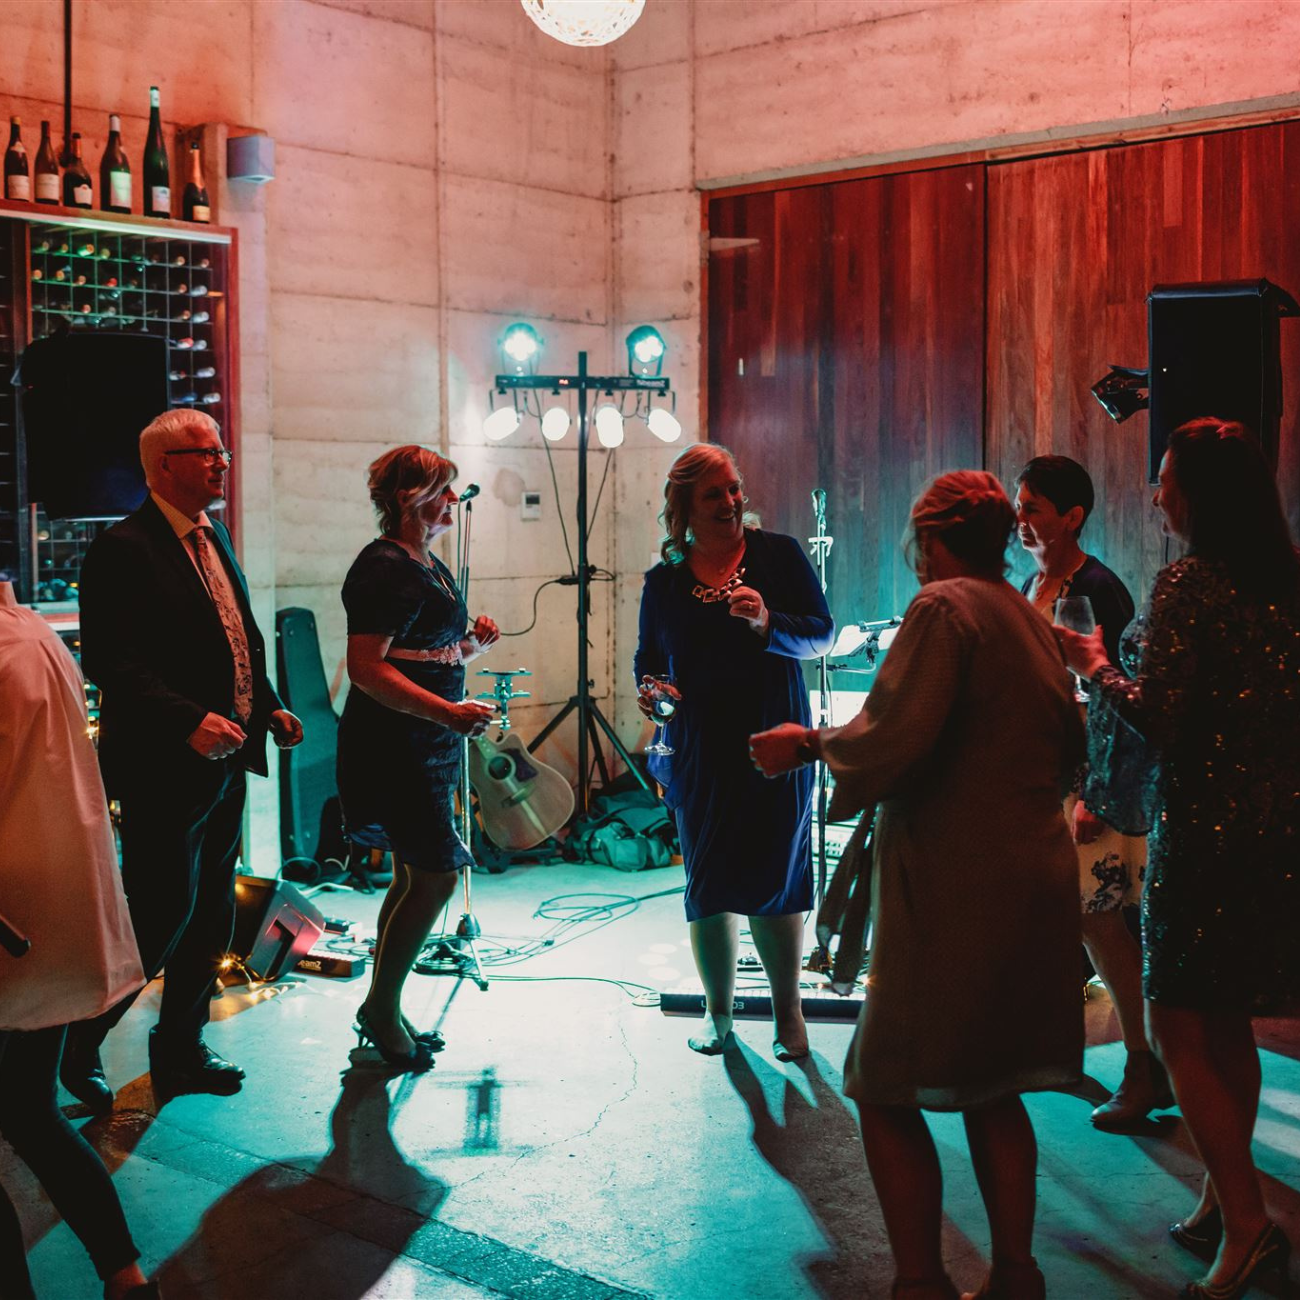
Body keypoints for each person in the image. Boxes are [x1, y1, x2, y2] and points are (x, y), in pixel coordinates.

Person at [751, 471, 1085, 1300]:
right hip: (1032, 872)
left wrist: (807, 743)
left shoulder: (944, 609)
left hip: (955, 880)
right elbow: (1068, 742)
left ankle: (920, 1283)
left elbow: (892, 735)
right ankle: (1016, 1274)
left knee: (883, 1082)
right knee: (994, 1084)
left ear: (928, 538)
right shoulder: (1026, 616)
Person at [1056, 419, 1300, 1300]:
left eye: (1164, 479)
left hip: (1205, 830)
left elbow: (1160, 713)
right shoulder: (1287, 580)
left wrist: (1093, 667)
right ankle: (1217, 1192)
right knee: (1226, 1021)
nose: (1156, 493)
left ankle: (1247, 1227)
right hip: (1278, 832)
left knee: (1175, 1027)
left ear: (1199, 493)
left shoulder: (1190, 583)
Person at [62, 411, 304, 1109]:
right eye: (208, 453)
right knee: (160, 917)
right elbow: (113, 660)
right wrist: (188, 721)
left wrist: (269, 705)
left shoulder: (215, 535)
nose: (223, 462)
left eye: (223, 450)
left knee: (212, 920)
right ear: (163, 465)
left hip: (225, 762)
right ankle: (77, 1042)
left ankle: (180, 1050)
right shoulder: (122, 548)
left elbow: (238, 639)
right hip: (161, 766)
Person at [634, 444, 834, 1060]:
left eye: (733, 488)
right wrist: (655, 694)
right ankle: (717, 1014)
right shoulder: (663, 582)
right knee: (709, 881)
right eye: (713, 494)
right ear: (684, 508)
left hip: (776, 742)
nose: (730, 501)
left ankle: (788, 1017)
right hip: (700, 750)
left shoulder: (779, 555)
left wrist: (768, 624)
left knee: (777, 876)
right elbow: (648, 663)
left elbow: (822, 635)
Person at [0, 579, 156, 1299]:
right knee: (29, 1113)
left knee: (27, 1113)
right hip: (50, 917)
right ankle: (125, 1275)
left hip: (14, 919)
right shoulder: (33, 631)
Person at [1013, 454, 1172, 1129]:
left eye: (1034, 510)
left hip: (1092, 781)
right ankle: (1063, 1050)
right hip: (1043, 774)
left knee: (1104, 924)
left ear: (1072, 517)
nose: (1020, 520)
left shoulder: (1100, 588)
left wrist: (1091, 792)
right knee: (1071, 919)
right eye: (1019, 507)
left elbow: (1114, 701)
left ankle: (1146, 1066)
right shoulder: (1033, 580)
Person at [338, 445, 498, 1072]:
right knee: (434, 875)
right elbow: (366, 668)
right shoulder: (385, 567)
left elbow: (418, 653)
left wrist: (467, 648)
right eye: (445, 490)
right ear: (412, 499)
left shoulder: (424, 562)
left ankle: (384, 1005)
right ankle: (380, 1007)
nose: (455, 501)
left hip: (423, 740)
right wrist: (448, 714)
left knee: (412, 875)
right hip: (396, 741)